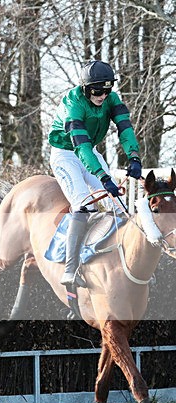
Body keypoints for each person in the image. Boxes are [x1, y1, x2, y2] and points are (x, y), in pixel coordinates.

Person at [48, 60, 143, 285]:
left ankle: (129, 262)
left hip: (89, 151)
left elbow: (126, 130)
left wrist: (134, 157)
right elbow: (80, 147)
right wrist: (103, 176)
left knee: (119, 205)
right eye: (97, 90)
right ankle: (70, 269)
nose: (102, 95)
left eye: (107, 89)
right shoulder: (73, 104)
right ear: (85, 88)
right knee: (84, 204)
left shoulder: (112, 99)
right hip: (66, 154)